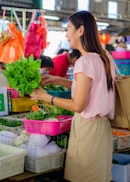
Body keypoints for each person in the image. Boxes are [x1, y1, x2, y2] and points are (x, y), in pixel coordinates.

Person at [30, 11, 115, 182]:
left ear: (81, 30)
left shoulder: (84, 62)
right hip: (102, 130)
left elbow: (78, 105)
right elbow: (90, 87)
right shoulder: (104, 57)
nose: (66, 34)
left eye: (68, 29)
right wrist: (58, 80)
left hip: (88, 130)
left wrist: (46, 97)